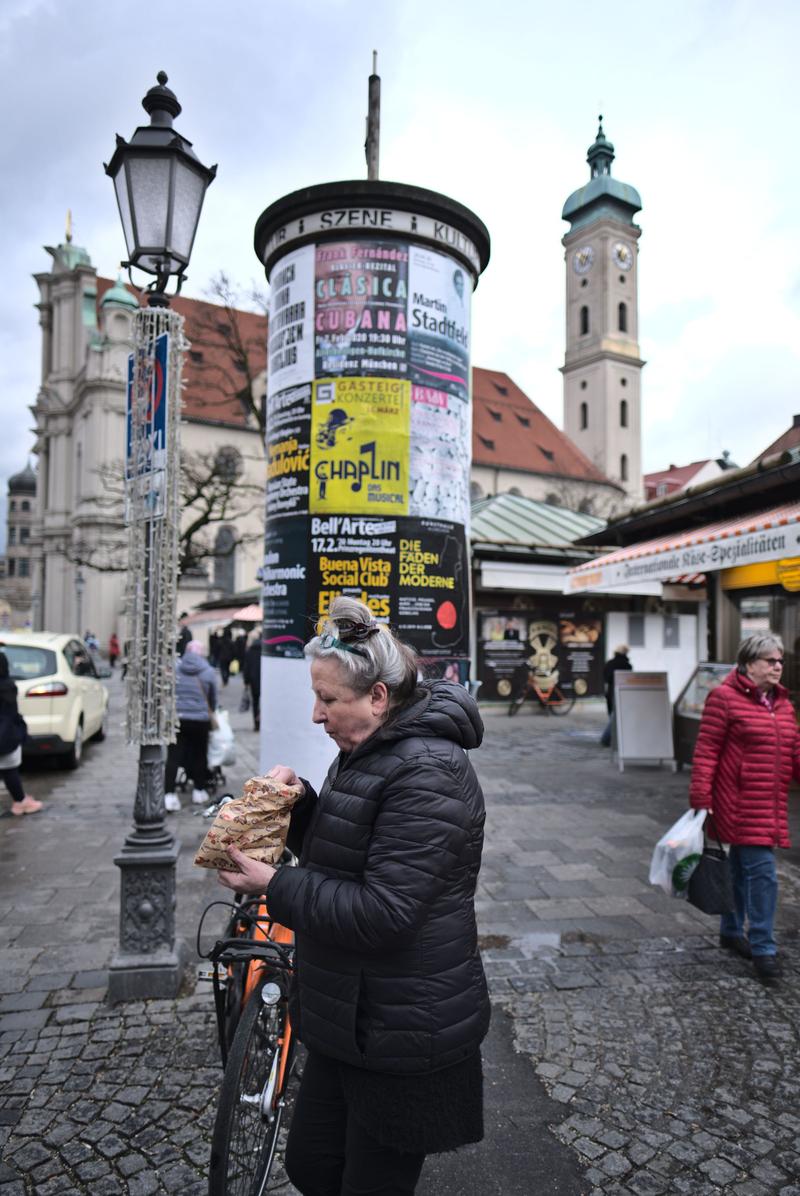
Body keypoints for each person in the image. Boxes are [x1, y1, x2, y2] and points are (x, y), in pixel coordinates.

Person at [218, 596, 489, 1196]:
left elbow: (383, 912)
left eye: (328, 700)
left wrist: (275, 887)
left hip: (404, 1027)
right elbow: (349, 847)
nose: (316, 715)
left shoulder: (428, 771)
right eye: (316, 697)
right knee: (313, 1166)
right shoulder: (368, 750)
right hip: (350, 1014)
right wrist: (295, 807)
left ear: (378, 698)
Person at [690, 632, 800, 983]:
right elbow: (707, 751)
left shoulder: (782, 704)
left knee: (738, 868)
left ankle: (732, 930)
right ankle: (764, 949)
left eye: (780, 660)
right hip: (736, 801)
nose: (778, 666)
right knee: (763, 873)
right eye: (770, 660)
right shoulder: (723, 698)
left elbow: (794, 750)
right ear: (749, 663)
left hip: (768, 801)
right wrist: (701, 800)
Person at [163, 640, 217, 812]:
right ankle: (198, 791)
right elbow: (212, 699)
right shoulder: (208, 672)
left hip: (178, 719)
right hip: (200, 721)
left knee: (173, 756)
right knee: (200, 755)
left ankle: (169, 795)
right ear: (201, 653)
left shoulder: (176, 670)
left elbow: (169, 693)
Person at [0, 652, 42, 816]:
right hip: (6, 736)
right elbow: (10, 715)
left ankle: (21, 800)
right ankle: (21, 802)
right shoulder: (7, 686)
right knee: (10, 770)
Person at [600, 643, 632, 746]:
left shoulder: (610, 663)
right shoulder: (627, 665)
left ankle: (610, 739)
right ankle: (607, 739)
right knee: (617, 717)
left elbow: (606, 678)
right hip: (623, 693)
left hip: (610, 693)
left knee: (612, 716)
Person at [242, 629, 262, 732]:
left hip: (253, 681)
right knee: (264, 702)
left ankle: (256, 723)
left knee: (255, 702)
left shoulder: (249, 651)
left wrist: (246, 681)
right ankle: (262, 721)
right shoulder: (264, 650)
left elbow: (246, 668)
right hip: (264, 681)